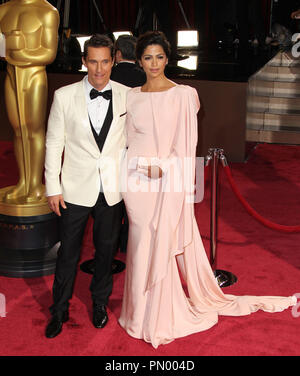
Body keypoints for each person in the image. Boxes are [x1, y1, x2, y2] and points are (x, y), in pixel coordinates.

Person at [118, 31, 296, 349]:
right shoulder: (131, 96)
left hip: (166, 181)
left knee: (159, 241)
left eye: (159, 57)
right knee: (140, 240)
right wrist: (129, 170)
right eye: (148, 57)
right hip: (136, 180)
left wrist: (167, 169)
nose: (154, 63)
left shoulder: (184, 94)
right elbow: (129, 138)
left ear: (168, 59)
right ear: (139, 61)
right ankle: (137, 312)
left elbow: (187, 143)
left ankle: (159, 314)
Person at [44, 34, 129, 338]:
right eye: (92, 61)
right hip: (74, 189)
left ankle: (99, 304)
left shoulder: (127, 95)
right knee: (68, 252)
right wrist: (52, 186)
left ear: (113, 60)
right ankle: (59, 310)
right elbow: (54, 142)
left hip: (112, 188)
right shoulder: (64, 96)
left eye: (105, 61)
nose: (98, 68)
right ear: (83, 61)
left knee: (106, 253)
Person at [0, 0, 59, 204]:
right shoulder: (4, 10)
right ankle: (23, 182)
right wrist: (8, 50)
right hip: (11, 75)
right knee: (18, 129)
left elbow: (49, 53)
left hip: (34, 75)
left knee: (33, 129)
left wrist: (22, 53)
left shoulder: (47, 12)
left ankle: (34, 183)